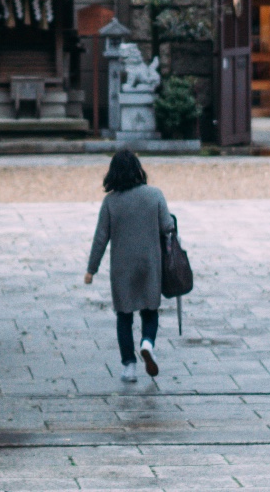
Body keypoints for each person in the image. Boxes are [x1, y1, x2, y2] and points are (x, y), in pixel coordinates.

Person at [82, 148, 175, 383]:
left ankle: (129, 366)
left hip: (122, 268)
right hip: (149, 265)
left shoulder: (111, 202)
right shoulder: (155, 195)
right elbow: (167, 226)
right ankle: (147, 343)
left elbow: (100, 238)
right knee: (149, 310)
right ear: (138, 170)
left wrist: (91, 269)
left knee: (124, 316)